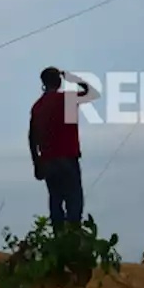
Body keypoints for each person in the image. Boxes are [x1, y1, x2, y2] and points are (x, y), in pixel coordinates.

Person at [29, 67, 100, 229]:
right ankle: (73, 237)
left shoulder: (38, 107)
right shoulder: (67, 100)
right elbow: (92, 93)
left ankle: (58, 239)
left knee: (56, 201)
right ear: (59, 81)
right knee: (74, 202)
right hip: (68, 158)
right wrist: (73, 78)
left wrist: (36, 163)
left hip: (48, 161)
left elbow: (32, 138)